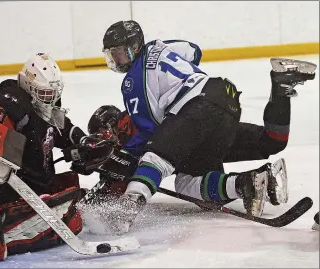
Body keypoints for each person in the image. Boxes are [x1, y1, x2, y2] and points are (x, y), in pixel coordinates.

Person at [83, 20, 317, 234]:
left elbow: (155, 131)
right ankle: (250, 178)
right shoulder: (160, 46)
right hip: (224, 98)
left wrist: (127, 156)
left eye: (119, 54)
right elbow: (193, 51)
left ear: (134, 47)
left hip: (197, 108)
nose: (116, 61)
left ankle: (128, 210)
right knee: (269, 142)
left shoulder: (132, 83)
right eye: (112, 56)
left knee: (155, 158)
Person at [0, 52, 113, 260]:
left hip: (29, 186)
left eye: (53, 94)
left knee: (73, 195)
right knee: (69, 215)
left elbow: (64, 130)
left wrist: (85, 144)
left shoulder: (45, 108)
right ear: (29, 88)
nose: (50, 100)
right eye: (45, 94)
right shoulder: (13, 103)